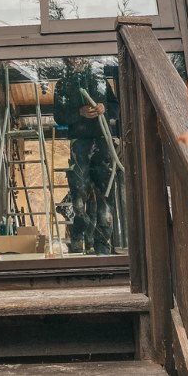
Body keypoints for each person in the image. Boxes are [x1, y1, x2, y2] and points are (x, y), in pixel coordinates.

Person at [53, 57, 115, 255]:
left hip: (102, 140)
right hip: (79, 142)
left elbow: (116, 107)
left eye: (80, 58)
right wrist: (79, 113)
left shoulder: (99, 80)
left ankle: (103, 246)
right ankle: (79, 240)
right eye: (72, 59)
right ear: (67, 61)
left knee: (103, 195)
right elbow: (59, 116)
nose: (77, 61)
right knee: (79, 194)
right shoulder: (63, 84)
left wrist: (105, 108)